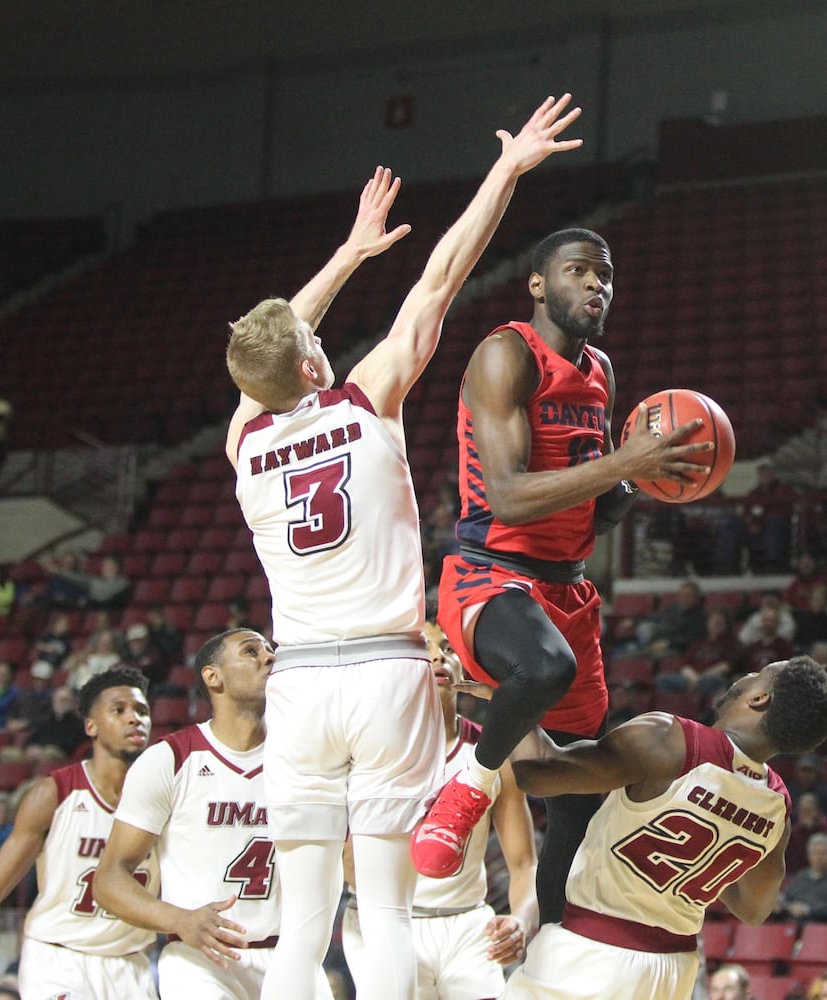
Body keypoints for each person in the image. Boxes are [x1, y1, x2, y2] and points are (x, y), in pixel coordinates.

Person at [226, 96, 584, 1000]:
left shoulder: (242, 438)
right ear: (313, 367)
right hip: (387, 671)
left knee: (307, 922)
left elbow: (262, 356)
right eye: (313, 345)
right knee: (384, 909)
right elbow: (440, 276)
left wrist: (344, 257)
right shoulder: (362, 395)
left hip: (298, 678)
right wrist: (505, 170)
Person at [422, 208, 717, 924]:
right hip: (491, 574)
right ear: (536, 284)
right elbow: (512, 498)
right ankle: (472, 781)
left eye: (605, 275)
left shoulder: (601, 372)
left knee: (579, 790)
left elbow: (593, 499)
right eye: (578, 271)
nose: (595, 285)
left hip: (567, 588)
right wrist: (627, 462)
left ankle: (545, 932)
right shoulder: (507, 354)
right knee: (543, 668)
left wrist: (644, 484)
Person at [498, 656, 827, 999]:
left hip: (592, 953)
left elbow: (536, 772)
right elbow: (753, 909)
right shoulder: (776, 804)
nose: (749, 673)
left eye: (759, 674)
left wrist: (511, 694)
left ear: (758, 698)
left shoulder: (669, 740)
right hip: (673, 972)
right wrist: (703, 855)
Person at [340, 622, 538, 1000]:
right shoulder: (367, 750)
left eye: (447, 647)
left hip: (467, 923)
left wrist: (521, 919)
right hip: (388, 919)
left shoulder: (493, 751)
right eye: (424, 648)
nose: (438, 655)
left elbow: (524, 864)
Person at [0, 667, 157, 1000]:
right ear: (91, 726)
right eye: (119, 710)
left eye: (141, 710)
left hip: (130, 965)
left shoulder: (165, 799)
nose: (134, 719)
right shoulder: (55, 794)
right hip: (60, 959)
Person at [94, 629, 281, 999]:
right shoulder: (170, 760)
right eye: (251, 651)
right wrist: (178, 919)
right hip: (198, 959)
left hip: (289, 954)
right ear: (214, 677)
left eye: (270, 650)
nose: (269, 658)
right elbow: (109, 879)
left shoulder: (300, 755)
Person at [712, 458, 799, 574]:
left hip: (774, 529)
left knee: (774, 522)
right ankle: (726, 564)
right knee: (730, 523)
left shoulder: (783, 489)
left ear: (773, 473)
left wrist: (760, 522)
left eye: (767, 471)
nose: (765, 474)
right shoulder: (754, 493)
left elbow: (782, 510)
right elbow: (746, 513)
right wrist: (751, 523)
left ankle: (772, 563)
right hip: (753, 531)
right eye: (762, 472)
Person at [777, 831, 827, 923]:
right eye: (814, 853)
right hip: (793, 924)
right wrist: (781, 904)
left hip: (825, 926)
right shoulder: (801, 877)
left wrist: (809, 910)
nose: (818, 857)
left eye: (823, 853)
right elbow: (787, 896)